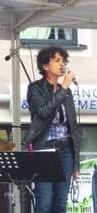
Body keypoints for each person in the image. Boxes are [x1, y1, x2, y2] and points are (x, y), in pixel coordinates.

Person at [23, 46, 81, 213]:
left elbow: (73, 127)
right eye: (57, 60)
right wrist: (62, 89)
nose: (62, 64)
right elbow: (43, 112)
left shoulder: (67, 92)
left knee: (61, 203)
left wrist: (76, 163)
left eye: (63, 60)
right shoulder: (36, 88)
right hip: (44, 150)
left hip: (66, 151)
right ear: (45, 66)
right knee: (45, 202)